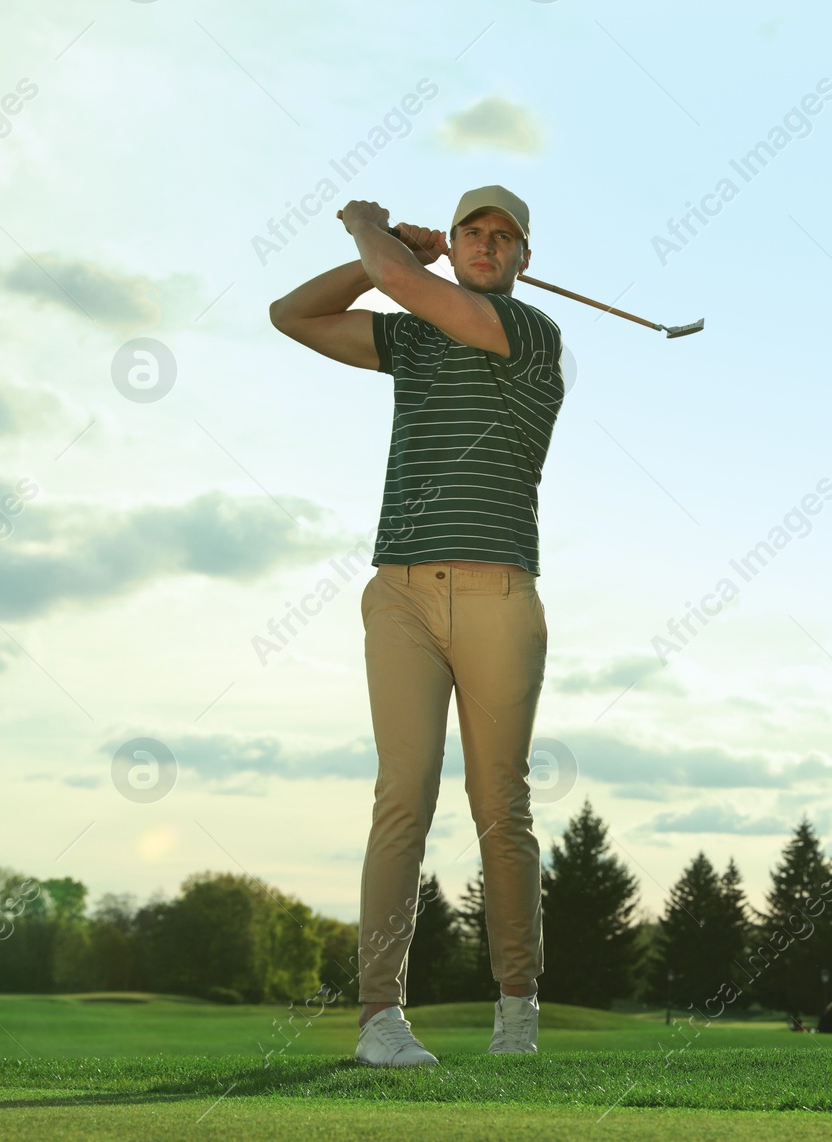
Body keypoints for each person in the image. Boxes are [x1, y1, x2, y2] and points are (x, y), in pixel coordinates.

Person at [269, 185, 564, 1066]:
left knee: (498, 805)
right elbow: (293, 314)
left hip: (496, 595)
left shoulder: (530, 333)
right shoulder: (417, 331)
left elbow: (395, 284)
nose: (485, 242)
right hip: (398, 590)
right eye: (473, 230)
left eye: (503, 237)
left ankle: (516, 1008)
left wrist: (371, 231)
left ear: (521, 260)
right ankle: (379, 1020)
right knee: (401, 799)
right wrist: (391, 249)